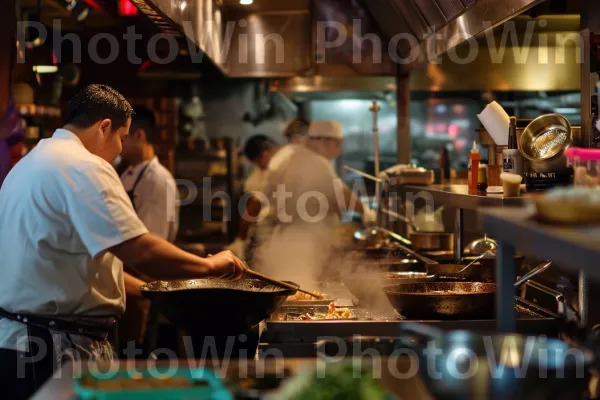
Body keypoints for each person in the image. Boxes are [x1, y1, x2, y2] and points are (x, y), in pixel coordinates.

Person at [0, 84, 247, 399]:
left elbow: (80, 260)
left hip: (20, 344)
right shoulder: (85, 166)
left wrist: (151, 290)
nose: (119, 148)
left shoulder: (32, 163)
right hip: (48, 347)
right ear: (104, 127)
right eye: (121, 136)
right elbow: (139, 249)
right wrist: (209, 266)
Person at [254, 120, 375, 284]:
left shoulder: (285, 156)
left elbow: (262, 196)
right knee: (304, 289)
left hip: (283, 240)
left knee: (290, 288)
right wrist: (367, 213)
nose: (338, 150)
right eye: (337, 144)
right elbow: (343, 196)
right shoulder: (317, 162)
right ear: (326, 141)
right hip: (306, 244)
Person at [120, 106, 178, 242]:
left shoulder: (157, 179)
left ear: (138, 136)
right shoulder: (128, 173)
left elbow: (153, 241)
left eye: (123, 137)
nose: (118, 142)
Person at [225, 135, 280, 259]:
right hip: (267, 240)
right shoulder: (257, 178)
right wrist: (240, 238)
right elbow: (253, 207)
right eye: (258, 160)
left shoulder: (284, 166)